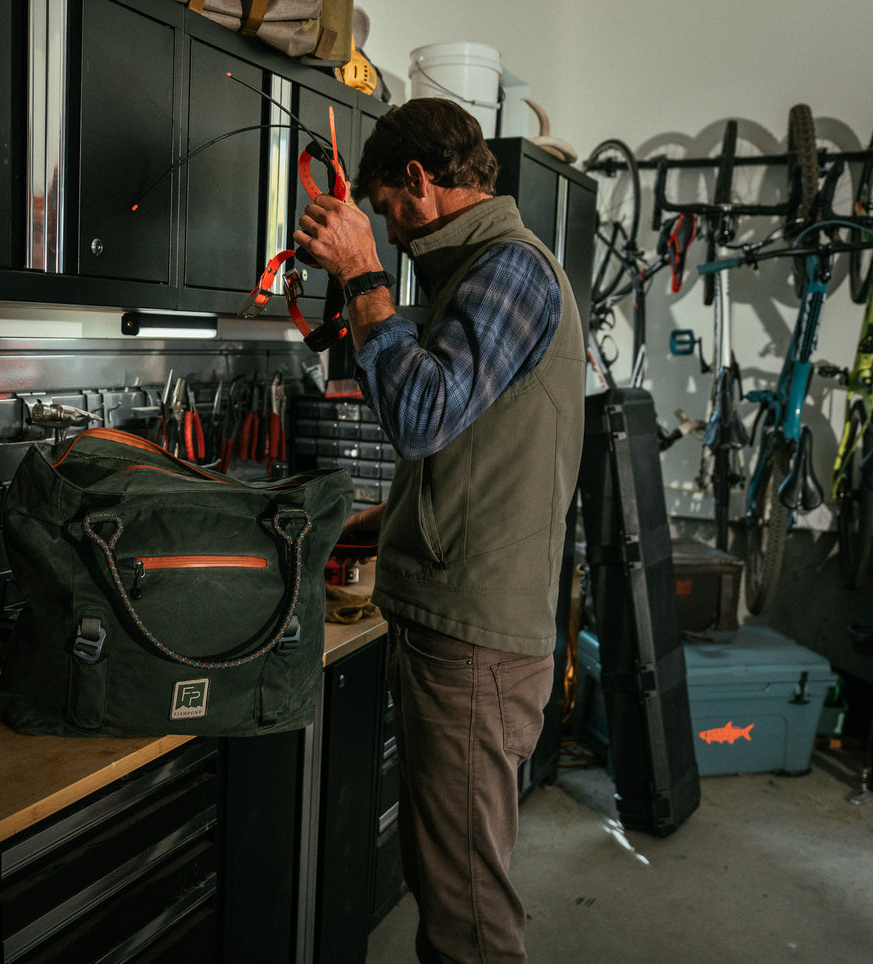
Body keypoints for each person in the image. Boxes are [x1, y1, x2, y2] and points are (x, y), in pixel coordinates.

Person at [292, 98, 585, 963]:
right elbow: (480, 448)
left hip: (474, 641)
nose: (385, 229)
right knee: (446, 871)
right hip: (459, 627)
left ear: (419, 182)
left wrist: (360, 275)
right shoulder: (484, 272)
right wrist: (383, 522)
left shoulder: (509, 269)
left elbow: (421, 417)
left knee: (464, 905)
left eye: (384, 209)